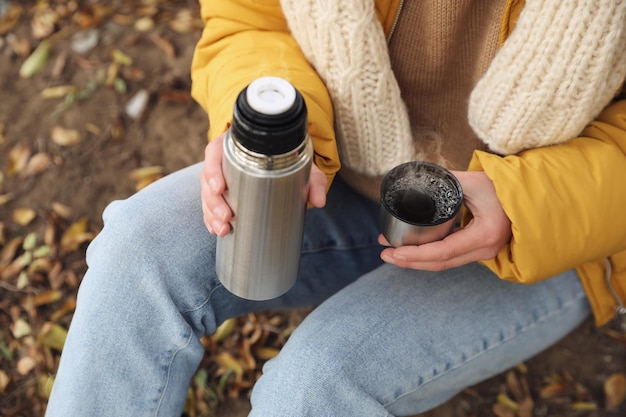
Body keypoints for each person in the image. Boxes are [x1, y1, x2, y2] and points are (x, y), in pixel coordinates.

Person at [46, 1, 626, 416]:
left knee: (315, 387)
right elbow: (252, 17)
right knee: (139, 250)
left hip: (556, 235)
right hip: (339, 171)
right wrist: (269, 129)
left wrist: (526, 207)